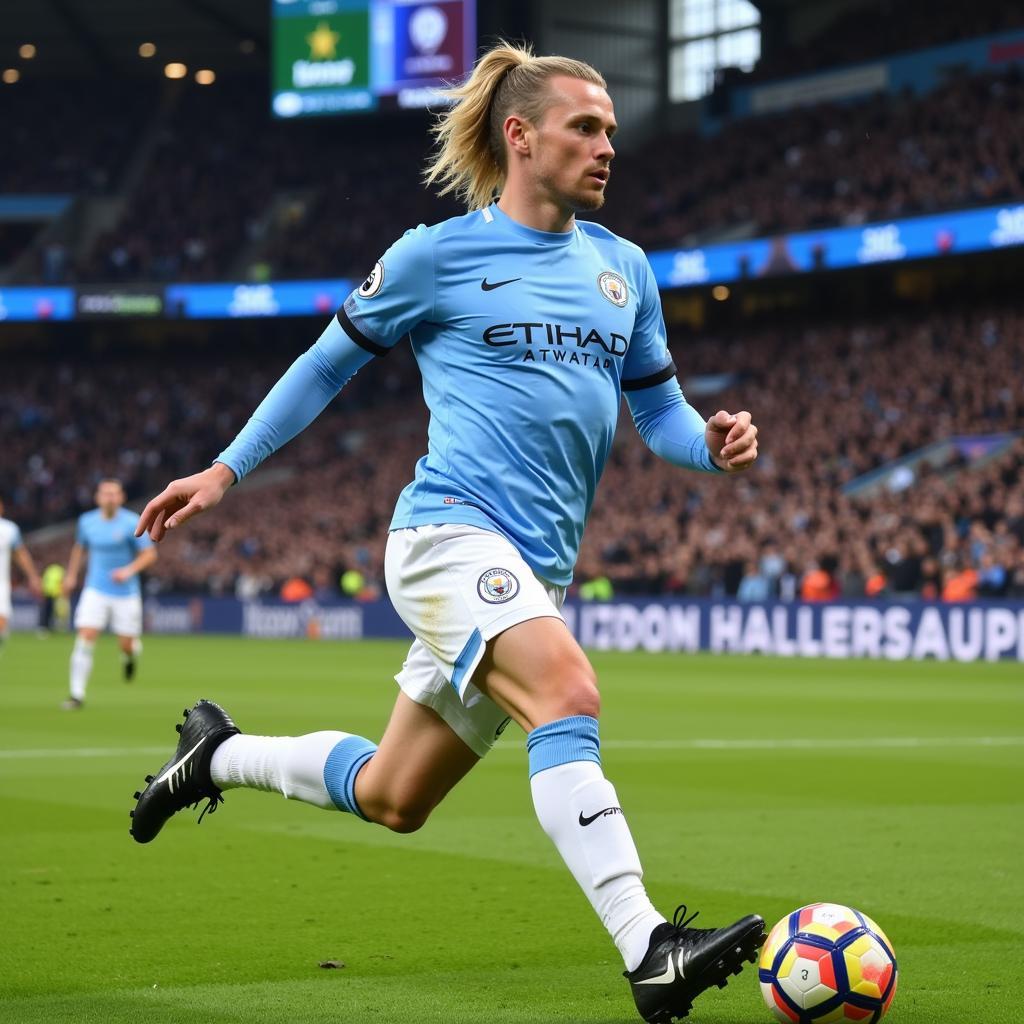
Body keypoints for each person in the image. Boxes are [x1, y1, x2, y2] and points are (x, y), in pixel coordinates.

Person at [128, 44, 762, 1023]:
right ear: (520, 134)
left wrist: (710, 446)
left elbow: (661, 414)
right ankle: (650, 948)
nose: (605, 148)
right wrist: (224, 469)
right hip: (445, 538)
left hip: (531, 571)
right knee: (566, 691)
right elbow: (324, 364)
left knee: (393, 795)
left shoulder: (623, 270)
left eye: (610, 132)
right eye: (584, 127)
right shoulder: (436, 254)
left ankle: (214, 757)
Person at [61, 478, 157, 709]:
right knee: (85, 637)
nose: (110, 498)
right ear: (97, 497)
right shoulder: (87, 522)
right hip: (95, 590)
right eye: (105, 493)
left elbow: (149, 554)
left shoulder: (132, 522)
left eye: (114, 493)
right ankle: (77, 694)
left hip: (126, 593)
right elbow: (80, 548)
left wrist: (128, 570)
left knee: (126, 643)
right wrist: (71, 575)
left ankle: (130, 655)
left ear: (121, 497)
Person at [0, 496, 42, 648]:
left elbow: (21, 555)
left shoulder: (9, 529)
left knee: (2, 625)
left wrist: (33, 577)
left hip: (1, 585)